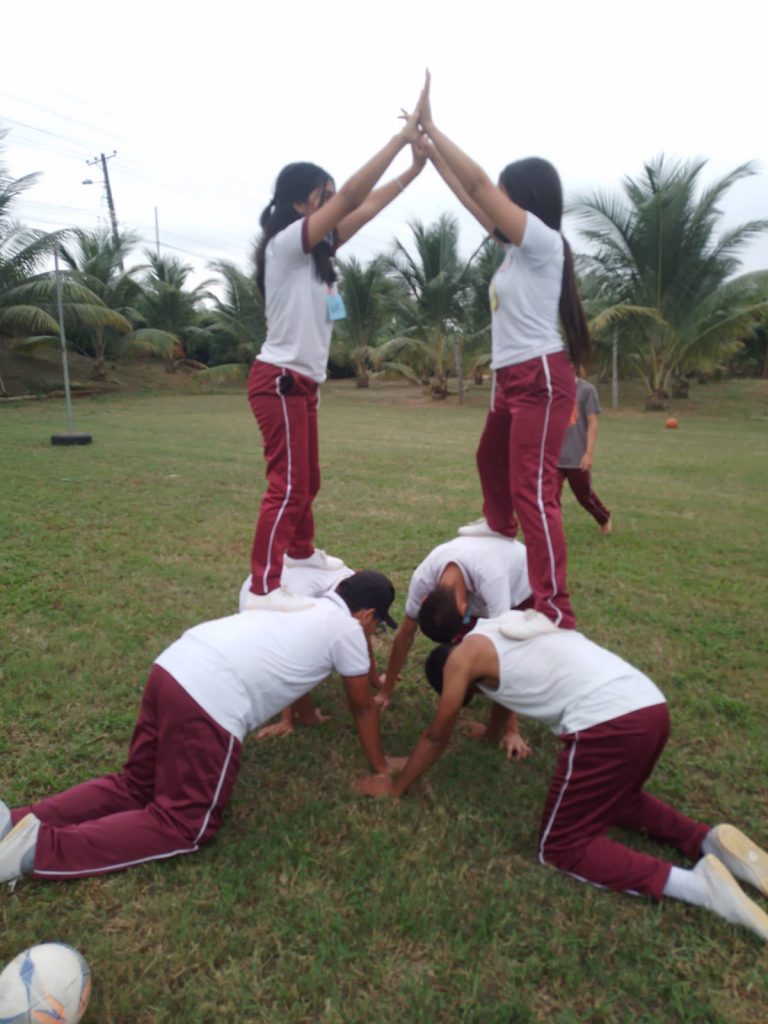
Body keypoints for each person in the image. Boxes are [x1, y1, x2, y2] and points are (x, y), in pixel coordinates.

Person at [357, 610, 768, 942]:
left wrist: (396, 787)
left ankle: (700, 887)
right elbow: (505, 689)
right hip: (650, 705)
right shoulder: (496, 626)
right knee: (617, 798)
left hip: (608, 724)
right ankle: (707, 839)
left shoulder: (459, 665)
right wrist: (493, 733)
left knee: (561, 847)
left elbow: (436, 735)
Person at [0, 572, 399, 884]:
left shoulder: (301, 605)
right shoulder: (347, 630)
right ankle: (38, 850)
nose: (372, 634)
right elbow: (362, 708)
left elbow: (294, 665)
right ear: (366, 615)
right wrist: (382, 769)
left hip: (173, 666)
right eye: (377, 627)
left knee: (135, 786)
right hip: (209, 699)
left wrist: (306, 718)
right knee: (184, 825)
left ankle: (14, 821)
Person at [415, 72, 591, 629]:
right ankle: (499, 525)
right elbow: (473, 193)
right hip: (510, 378)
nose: (498, 204)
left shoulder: (542, 241)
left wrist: (436, 129)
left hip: (540, 375)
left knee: (535, 493)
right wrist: (427, 154)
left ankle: (553, 609)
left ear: (526, 200)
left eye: (508, 197)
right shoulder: (514, 252)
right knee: (488, 460)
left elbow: (481, 182)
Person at [246, 103, 427, 612]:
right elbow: (352, 195)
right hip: (278, 379)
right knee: (286, 487)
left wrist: (413, 169)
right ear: (300, 204)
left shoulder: (322, 251)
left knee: (309, 482)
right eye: (323, 198)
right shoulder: (285, 246)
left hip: (304, 384)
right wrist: (398, 141)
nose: (335, 205)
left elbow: (365, 205)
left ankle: (301, 554)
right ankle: (263, 588)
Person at [379, 534, 533, 761]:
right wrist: (386, 691)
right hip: (480, 577)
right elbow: (405, 635)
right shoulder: (423, 578)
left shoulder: (492, 581)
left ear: (464, 609)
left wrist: (511, 730)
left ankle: (506, 723)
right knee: (465, 655)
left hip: (522, 586)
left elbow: (506, 655)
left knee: (496, 655)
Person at [558, 374, 612, 534]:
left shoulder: (586, 390)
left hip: (577, 457)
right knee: (549, 497)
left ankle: (604, 517)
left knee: (584, 496)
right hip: (553, 456)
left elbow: (593, 422)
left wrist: (588, 453)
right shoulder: (550, 389)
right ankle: (552, 530)